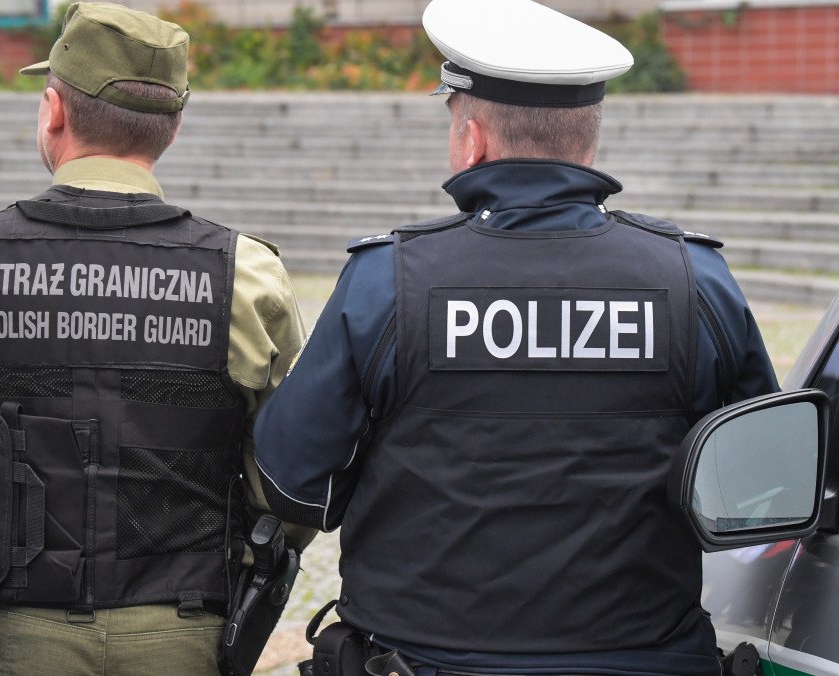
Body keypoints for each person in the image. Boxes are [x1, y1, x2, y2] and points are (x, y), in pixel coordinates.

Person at [253, 1, 779, 674]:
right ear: (587, 142)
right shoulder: (695, 280)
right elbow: (757, 487)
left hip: (418, 660)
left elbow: (294, 481)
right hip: (648, 659)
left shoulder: (389, 280)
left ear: (472, 140)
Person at [0, 3, 312, 673]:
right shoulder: (245, 275)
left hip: (13, 631)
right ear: (172, 128)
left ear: (53, 111)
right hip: (183, 635)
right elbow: (290, 481)